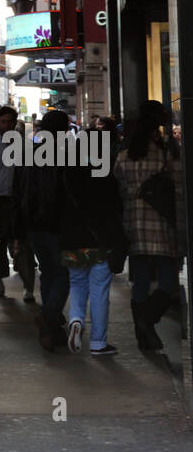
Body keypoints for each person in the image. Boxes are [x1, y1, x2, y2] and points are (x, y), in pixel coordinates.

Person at [113, 110, 184, 351]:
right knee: (167, 282)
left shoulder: (123, 157)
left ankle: (142, 331)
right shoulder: (167, 154)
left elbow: (119, 189)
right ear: (156, 131)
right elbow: (179, 187)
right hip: (162, 224)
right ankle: (148, 321)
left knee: (140, 281)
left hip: (133, 224)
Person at [12, 109, 70, 352]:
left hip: (33, 225)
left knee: (47, 272)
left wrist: (18, 230)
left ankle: (52, 322)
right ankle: (49, 315)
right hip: (58, 225)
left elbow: (18, 192)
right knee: (64, 274)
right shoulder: (67, 154)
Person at [59, 144, 126, 356]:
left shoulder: (67, 176)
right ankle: (98, 342)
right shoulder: (105, 177)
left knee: (77, 284)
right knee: (99, 291)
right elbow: (117, 208)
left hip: (72, 242)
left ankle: (76, 320)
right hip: (101, 242)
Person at [0, 106, 36, 302]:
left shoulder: (27, 147)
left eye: (10, 122)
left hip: (20, 201)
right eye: (3, 122)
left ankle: (28, 286)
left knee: (24, 245)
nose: (6, 125)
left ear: (15, 122)